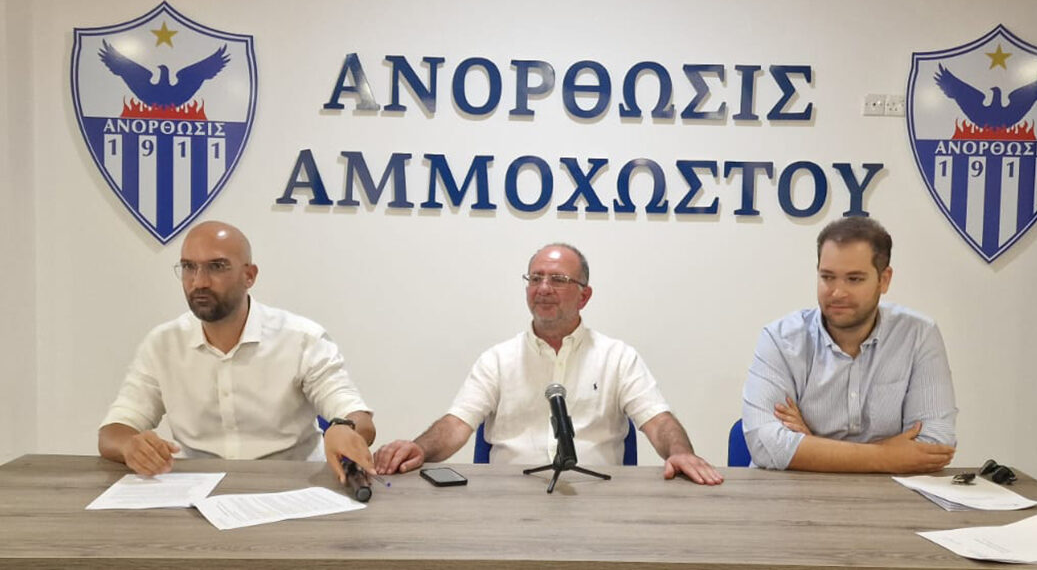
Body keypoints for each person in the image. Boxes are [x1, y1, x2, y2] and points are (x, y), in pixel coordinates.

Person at [375, 243, 723, 485]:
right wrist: (419, 448)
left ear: (584, 295)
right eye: (535, 278)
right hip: (508, 502)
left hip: (598, 500)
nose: (543, 288)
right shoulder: (498, 359)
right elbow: (455, 425)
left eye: (558, 280)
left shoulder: (618, 357)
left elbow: (658, 421)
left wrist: (681, 452)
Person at [98, 221, 376, 484]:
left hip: (292, 486)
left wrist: (343, 428)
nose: (199, 282)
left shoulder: (303, 339)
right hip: (196, 489)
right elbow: (113, 432)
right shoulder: (162, 344)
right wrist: (129, 445)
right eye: (188, 267)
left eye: (217, 267)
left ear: (249, 275)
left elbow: (358, 417)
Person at [742, 217, 957, 473]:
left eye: (854, 279)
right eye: (827, 277)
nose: (837, 293)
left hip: (886, 495)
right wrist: (888, 456)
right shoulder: (780, 339)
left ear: (884, 279)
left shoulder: (918, 335)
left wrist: (811, 445)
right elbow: (765, 445)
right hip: (790, 492)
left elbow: (935, 444)